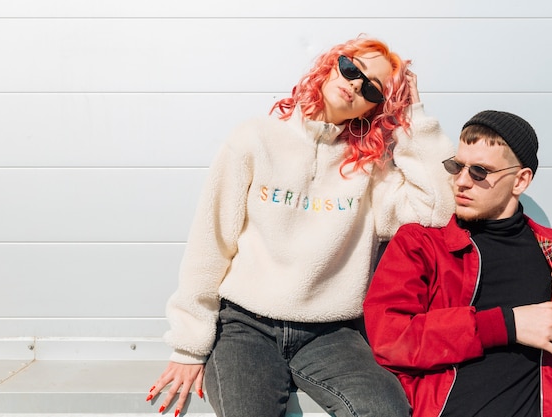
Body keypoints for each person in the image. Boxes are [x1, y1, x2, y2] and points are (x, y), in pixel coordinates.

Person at [147, 35, 456, 417]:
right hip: (245, 327)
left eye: (373, 88)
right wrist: (189, 345)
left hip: (332, 333)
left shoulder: (371, 169)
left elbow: (437, 210)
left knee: (387, 411)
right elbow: (210, 243)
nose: (356, 83)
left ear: (376, 107)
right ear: (330, 65)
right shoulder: (255, 139)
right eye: (350, 68)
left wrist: (415, 118)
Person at [363, 110, 552, 417]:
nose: (461, 182)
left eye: (480, 172)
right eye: (457, 166)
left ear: (520, 180)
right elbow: (390, 340)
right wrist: (506, 325)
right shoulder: (421, 244)